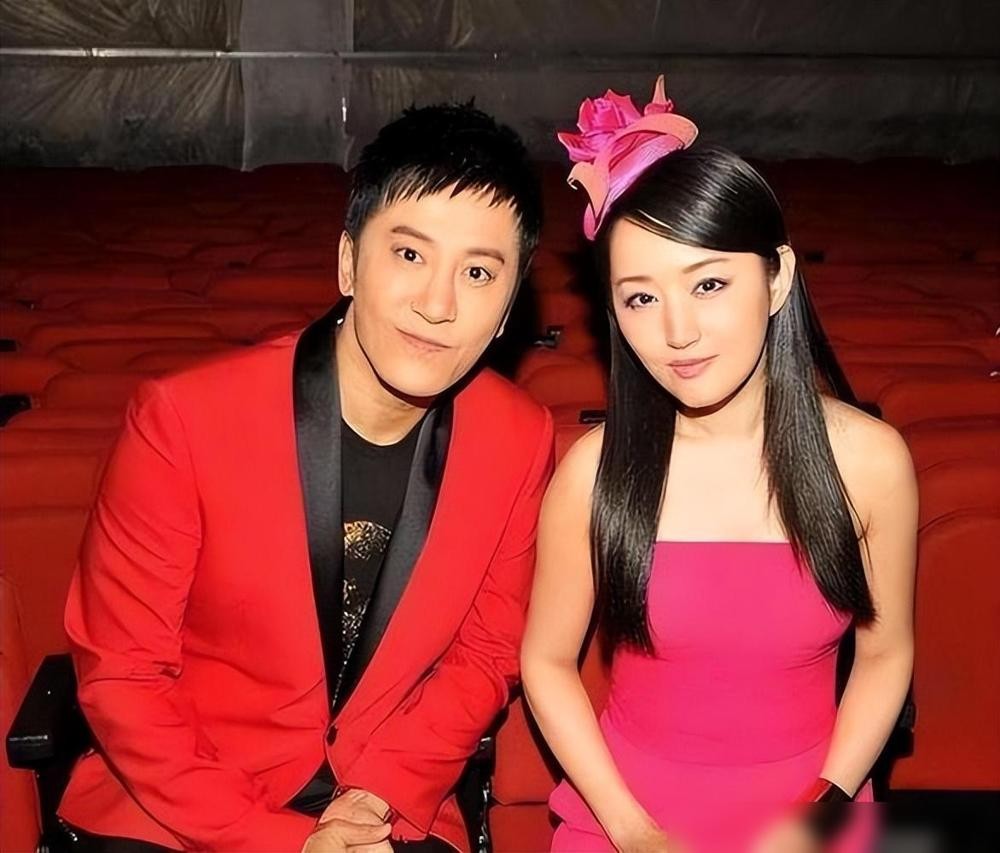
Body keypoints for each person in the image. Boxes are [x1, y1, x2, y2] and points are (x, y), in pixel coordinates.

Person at [58, 102, 552, 853]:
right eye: (409, 255)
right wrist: (278, 840)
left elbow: (486, 653)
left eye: (478, 272)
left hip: (386, 794)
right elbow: (123, 676)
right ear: (349, 261)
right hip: (183, 797)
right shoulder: (184, 418)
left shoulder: (519, 437)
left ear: (509, 306)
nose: (438, 304)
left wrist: (375, 796)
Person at [520, 77, 916, 853]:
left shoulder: (871, 462)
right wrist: (632, 830)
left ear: (777, 278)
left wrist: (824, 809)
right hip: (625, 816)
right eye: (640, 298)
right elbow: (546, 659)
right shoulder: (594, 473)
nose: (678, 331)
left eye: (708, 284)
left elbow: (887, 652)